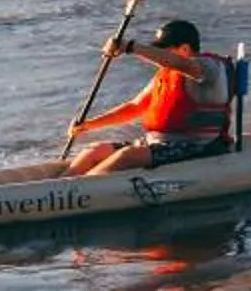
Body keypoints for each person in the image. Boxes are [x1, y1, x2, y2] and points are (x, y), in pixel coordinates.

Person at [65, 19, 234, 175]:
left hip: (196, 146)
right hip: (155, 143)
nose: (158, 56)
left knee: (127, 155)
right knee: (94, 151)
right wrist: (89, 125)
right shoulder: (166, 74)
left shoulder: (209, 67)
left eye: (163, 50)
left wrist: (130, 47)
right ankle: (61, 184)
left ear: (184, 49)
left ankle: (79, 190)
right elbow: (136, 107)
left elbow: (182, 64)